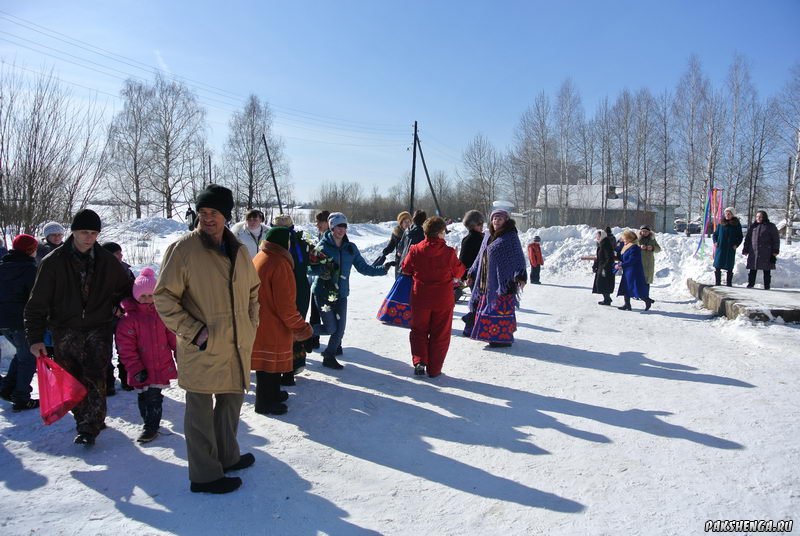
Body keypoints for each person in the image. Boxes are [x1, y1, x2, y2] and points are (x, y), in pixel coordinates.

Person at [154, 184, 260, 494]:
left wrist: (251, 323)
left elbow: (253, 291)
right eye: (202, 213)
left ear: (226, 215)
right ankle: (204, 475)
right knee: (200, 412)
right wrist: (195, 332)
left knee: (230, 404)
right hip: (203, 346)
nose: (208, 218)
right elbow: (164, 298)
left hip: (237, 344)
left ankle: (227, 456)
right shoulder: (183, 250)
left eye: (214, 212)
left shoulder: (239, 250)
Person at [25, 209, 133, 445]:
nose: (89, 237)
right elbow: (37, 303)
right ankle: (85, 417)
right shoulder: (53, 262)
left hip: (99, 327)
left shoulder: (106, 260)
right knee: (73, 379)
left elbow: (127, 286)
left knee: (96, 375)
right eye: (84, 232)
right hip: (65, 329)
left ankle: (89, 425)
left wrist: (119, 305)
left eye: (94, 233)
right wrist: (35, 338)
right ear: (73, 232)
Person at [310, 212, 391, 369]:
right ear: (332, 227)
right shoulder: (321, 246)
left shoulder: (350, 248)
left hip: (341, 295)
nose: (341, 230)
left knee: (339, 330)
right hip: (323, 294)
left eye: (344, 226)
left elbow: (363, 267)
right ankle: (302, 332)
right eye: (338, 226)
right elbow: (308, 268)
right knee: (330, 327)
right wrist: (322, 270)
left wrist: (383, 269)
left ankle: (329, 355)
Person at [252, 227, 313, 415]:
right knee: (269, 364)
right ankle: (264, 402)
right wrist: (302, 329)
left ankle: (272, 394)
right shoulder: (279, 263)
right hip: (273, 323)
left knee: (267, 364)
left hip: (260, 320)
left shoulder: (261, 256)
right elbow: (286, 305)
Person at [116, 268, 177, 443]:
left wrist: (180, 355)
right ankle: (148, 421)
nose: (147, 300)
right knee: (143, 396)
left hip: (160, 365)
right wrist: (135, 368)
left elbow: (172, 338)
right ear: (135, 296)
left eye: (151, 295)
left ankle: (151, 427)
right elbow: (126, 349)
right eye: (143, 296)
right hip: (141, 367)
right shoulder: (129, 320)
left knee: (154, 396)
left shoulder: (162, 315)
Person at [401, 216, 465, 377]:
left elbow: (406, 269)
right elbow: (459, 272)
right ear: (441, 232)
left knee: (418, 331)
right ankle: (435, 369)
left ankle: (420, 360)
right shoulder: (449, 252)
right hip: (442, 299)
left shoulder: (415, 249)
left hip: (420, 298)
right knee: (440, 334)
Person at [465, 208, 527, 347]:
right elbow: (480, 257)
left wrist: (520, 275)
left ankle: (501, 338)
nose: (496, 220)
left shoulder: (510, 236)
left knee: (499, 310)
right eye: (494, 218)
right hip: (487, 281)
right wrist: (472, 272)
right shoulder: (488, 236)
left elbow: (518, 257)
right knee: (488, 309)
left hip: (503, 282)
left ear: (506, 220)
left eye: (500, 218)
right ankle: (490, 335)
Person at [272, 213, 313, 385]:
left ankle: (290, 368)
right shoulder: (274, 243)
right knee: (286, 328)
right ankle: (285, 369)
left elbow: (314, 260)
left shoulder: (300, 242)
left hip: (297, 287)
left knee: (292, 326)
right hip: (289, 287)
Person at [0, 235, 40, 410]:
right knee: (29, 357)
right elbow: (35, 297)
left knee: (21, 354)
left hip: (3, 321)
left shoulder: (3, 266)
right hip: (20, 320)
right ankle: (21, 397)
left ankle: (7, 388)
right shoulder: (29, 269)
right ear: (31, 250)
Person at [102, 242, 136, 393]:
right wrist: (112, 309)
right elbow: (94, 297)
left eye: (120, 253)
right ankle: (107, 382)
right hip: (102, 318)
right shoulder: (98, 271)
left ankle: (127, 378)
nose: (120, 256)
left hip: (124, 315)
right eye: (116, 253)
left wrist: (126, 307)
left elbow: (134, 291)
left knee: (125, 348)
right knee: (104, 351)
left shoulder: (126, 271)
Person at [307, 210, 331, 351]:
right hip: (317, 281)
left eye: (319, 222)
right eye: (316, 222)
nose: (317, 225)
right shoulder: (320, 235)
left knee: (328, 311)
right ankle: (313, 339)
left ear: (328, 223)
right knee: (315, 311)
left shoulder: (334, 237)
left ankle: (336, 343)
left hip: (329, 284)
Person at [616, 229, 654, 311]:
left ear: (629, 239)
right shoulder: (626, 246)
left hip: (634, 271)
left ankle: (647, 300)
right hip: (627, 271)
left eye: (625, 238)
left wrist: (622, 264)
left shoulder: (634, 247)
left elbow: (632, 260)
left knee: (636, 288)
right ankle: (627, 304)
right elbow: (621, 255)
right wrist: (618, 244)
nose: (623, 240)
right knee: (626, 287)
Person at [742, 210, 780, 290]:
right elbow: (748, 239)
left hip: (766, 252)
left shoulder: (771, 226)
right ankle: (751, 284)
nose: (758, 218)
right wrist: (745, 249)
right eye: (757, 217)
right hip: (754, 251)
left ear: (764, 217)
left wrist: (775, 250)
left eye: (760, 217)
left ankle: (767, 286)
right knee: (753, 268)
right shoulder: (753, 226)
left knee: (766, 270)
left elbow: (776, 239)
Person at [457, 210, 485, 309]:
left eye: (482, 223)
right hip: (475, 276)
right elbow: (463, 259)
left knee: (479, 303)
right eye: (479, 223)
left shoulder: (481, 238)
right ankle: (473, 320)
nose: (482, 225)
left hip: (481, 276)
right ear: (472, 225)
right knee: (479, 303)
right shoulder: (472, 240)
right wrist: (465, 275)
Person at [712, 207, 743, 287]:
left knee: (729, 265)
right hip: (721, 247)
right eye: (726, 213)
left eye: (729, 213)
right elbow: (715, 234)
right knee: (718, 265)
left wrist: (736, 244)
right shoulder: (721, 223)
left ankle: (729, 283)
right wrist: (715, 242)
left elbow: (740, 236)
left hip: (730, 248)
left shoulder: (736, 224)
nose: (727, 215)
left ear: (732, 214)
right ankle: (717, 282)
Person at [592, 229, 616, 306]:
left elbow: (609, 257)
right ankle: (607, 298)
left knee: (603, 283)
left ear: (602, 235)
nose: (597, 237)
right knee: (601, 283)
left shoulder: (606, 244)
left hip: (606, 268)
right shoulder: (601, 243)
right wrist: (595, 265)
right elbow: (598, 257)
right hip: (601, 266)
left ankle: (607, 299)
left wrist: (604, 267)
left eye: (598, 236)